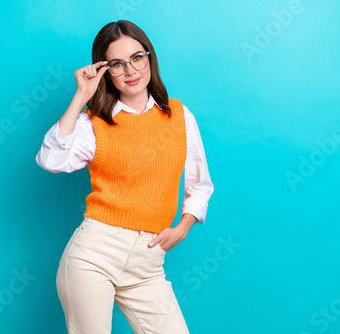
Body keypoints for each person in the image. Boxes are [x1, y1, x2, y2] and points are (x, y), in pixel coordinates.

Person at [35, 19, 214, 334]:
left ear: (149, 58)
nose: (130, 71)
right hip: (94, 256)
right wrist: (81, 96)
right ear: (104, 71)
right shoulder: (93, 125)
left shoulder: (179, 116)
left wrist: (183, 227)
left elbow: (199, 185)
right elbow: (50, 159)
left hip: (148, 262)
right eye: (116, 64)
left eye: (136, 58)